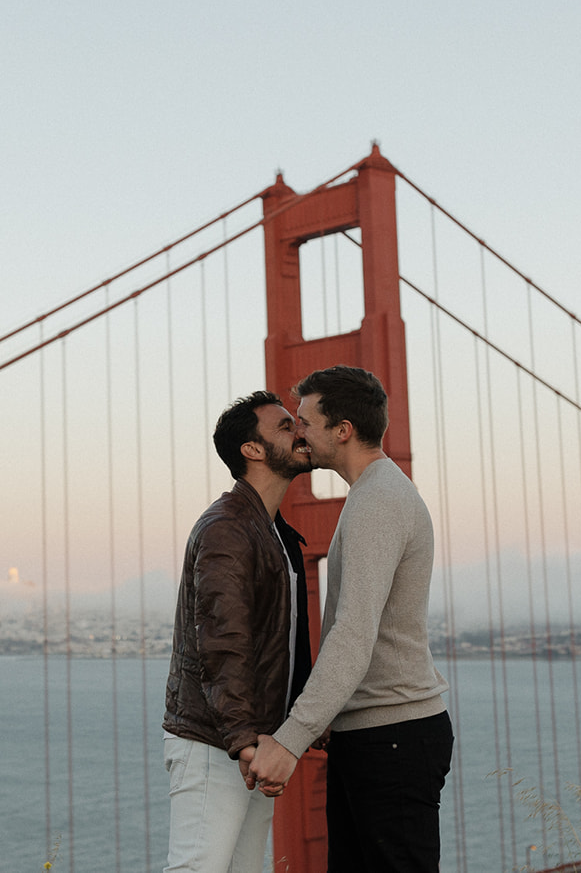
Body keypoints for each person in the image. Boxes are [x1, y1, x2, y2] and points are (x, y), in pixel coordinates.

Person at [245, 366, 452, 873]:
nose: (297, 432)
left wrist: (290, 739)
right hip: (376, 734)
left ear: (342, 430)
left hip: (394, 740)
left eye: (304, 421)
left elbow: (353, 635)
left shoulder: (377, 503)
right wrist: (332, 715)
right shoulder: (374, 494)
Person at [161, 391, 313, 873]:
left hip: (250, 739)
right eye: (286, 426)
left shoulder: (274, 531)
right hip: (218, 740)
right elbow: (222, 645)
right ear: (252, 449)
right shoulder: (228, 528)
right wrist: (245, 740)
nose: (301, 431)